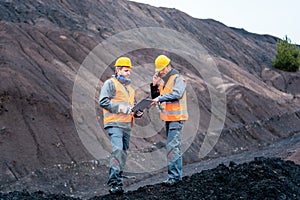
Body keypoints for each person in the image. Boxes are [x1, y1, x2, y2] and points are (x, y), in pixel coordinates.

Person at [99, 57, 143, 194]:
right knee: (117, 150)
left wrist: (137, 112)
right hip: (114, 123)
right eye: (125, 70)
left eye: (129, 70)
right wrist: (123, 109)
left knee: (123, 153)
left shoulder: (130, 89)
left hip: (126, 125)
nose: (128, 73)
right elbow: (103, 101)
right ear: (118, 70)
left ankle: (118, 178)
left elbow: (131, 108)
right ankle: (115, 183)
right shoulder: (110, 84)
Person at [150, 55, 188, 186]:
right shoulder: (165, 82)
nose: (160, 72)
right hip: (169, 118)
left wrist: (159, 99)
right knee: (173, 146)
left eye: (162, 69)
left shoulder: (178, 79)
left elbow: (177, 94)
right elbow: (157, 97)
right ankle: (176, 176)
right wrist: (154, 85)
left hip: (177, 118)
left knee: (173, 146)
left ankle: (175, 177)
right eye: (159, 70)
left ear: (168, 66)